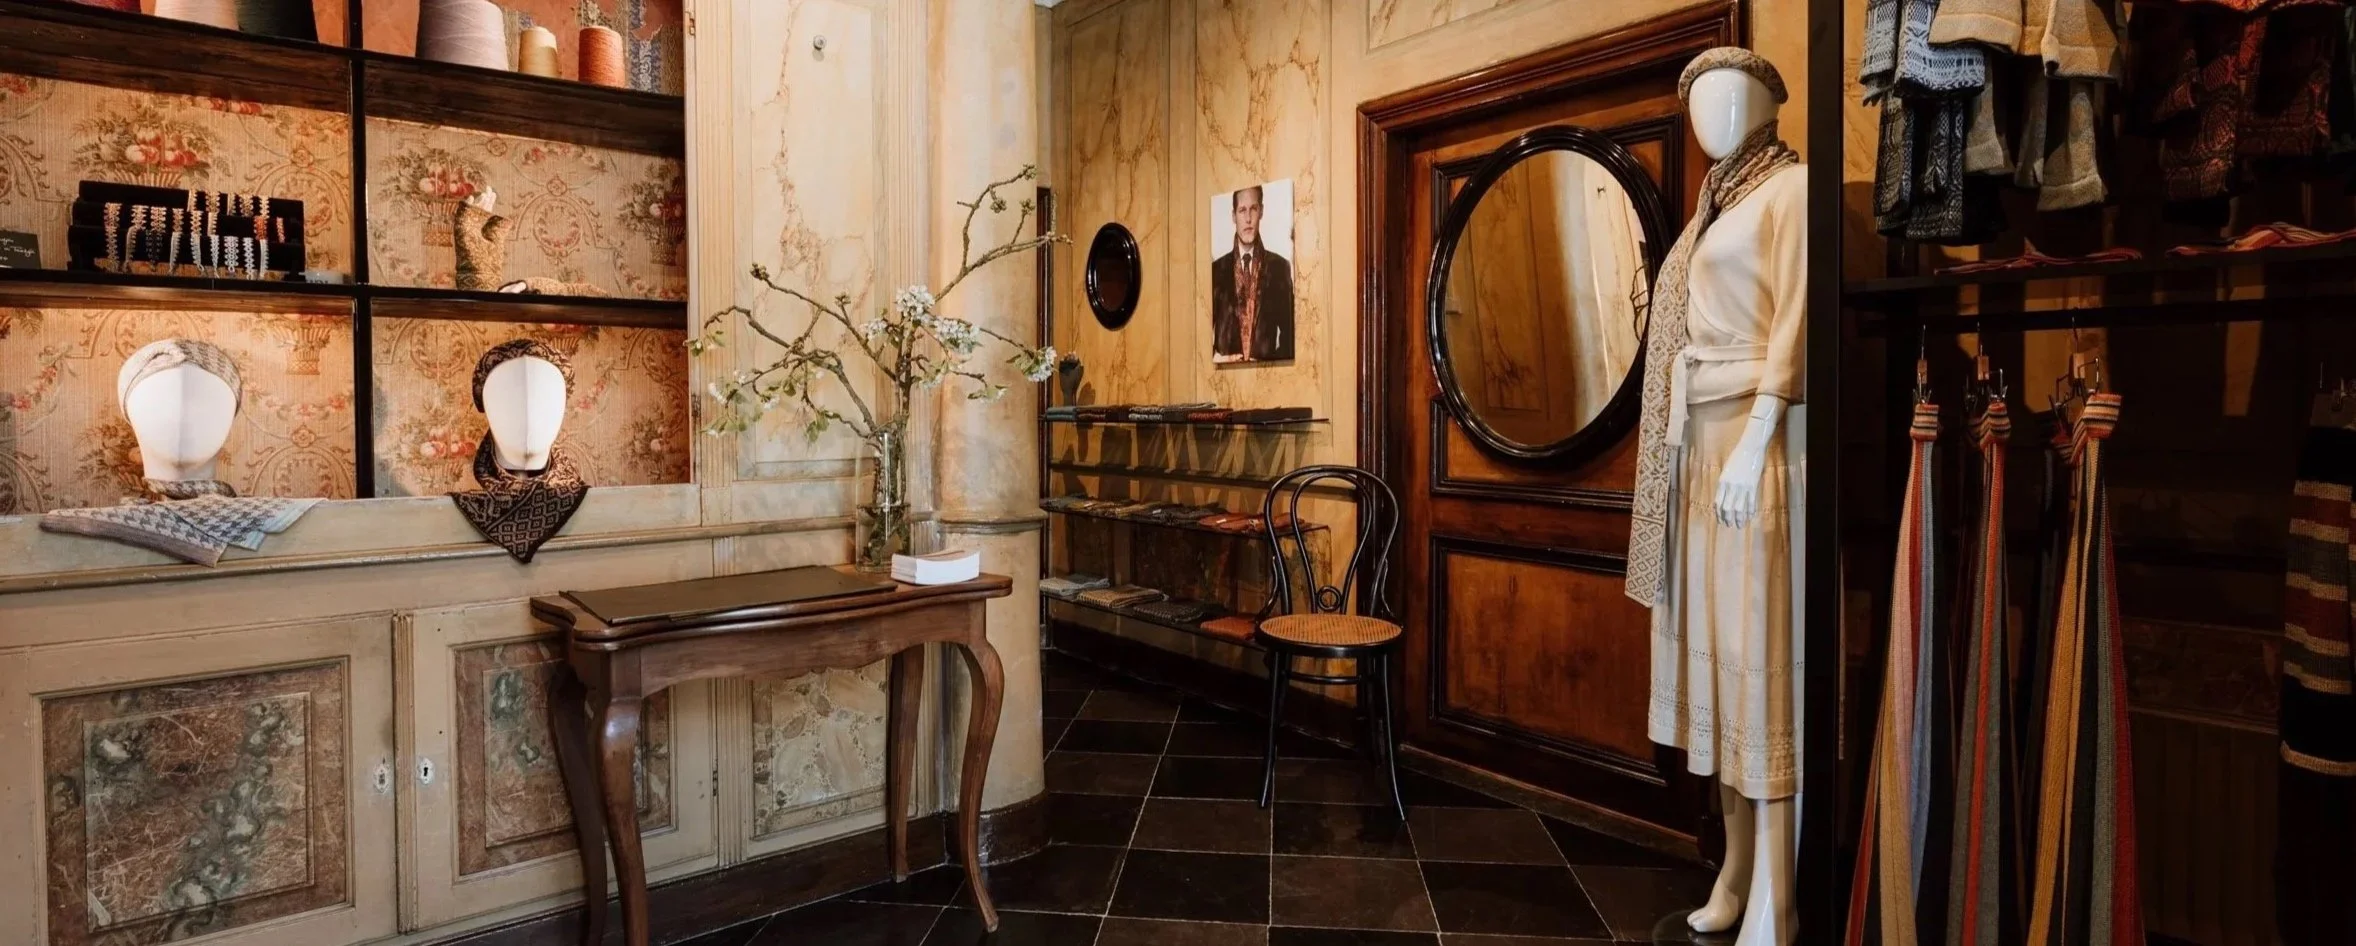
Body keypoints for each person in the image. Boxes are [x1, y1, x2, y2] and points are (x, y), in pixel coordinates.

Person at [1211, 185, 1295, 363]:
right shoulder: (1216, 271)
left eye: (1253, 209)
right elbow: (1197, 334)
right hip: (1222, 377)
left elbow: (1291, 338)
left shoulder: (1280, 268)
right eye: (1242, 210)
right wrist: (1216, 359)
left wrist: (1268, 364)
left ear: (1261, 211)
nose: (1248, 218)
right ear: (1233, 216)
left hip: (1268, 377)